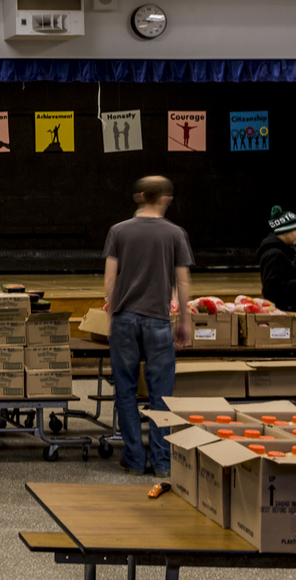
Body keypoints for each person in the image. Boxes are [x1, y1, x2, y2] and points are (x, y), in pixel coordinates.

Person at [104, 176, 193, 477]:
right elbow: (182, 280)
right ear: (165, 198)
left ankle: (134, 458)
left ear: (140, 196)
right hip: (157, 320)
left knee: (125, 391)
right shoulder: (175, 233)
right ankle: (162, 462)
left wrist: (110, 318)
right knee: (161, 393)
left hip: (125, 318)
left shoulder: (118, 231)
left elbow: (110, 279)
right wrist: (184, 321)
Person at [257, 206, 296, 314]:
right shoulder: (274, 254)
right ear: (285, 231)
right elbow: (272, 289)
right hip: (286, 316)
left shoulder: (289, 250)